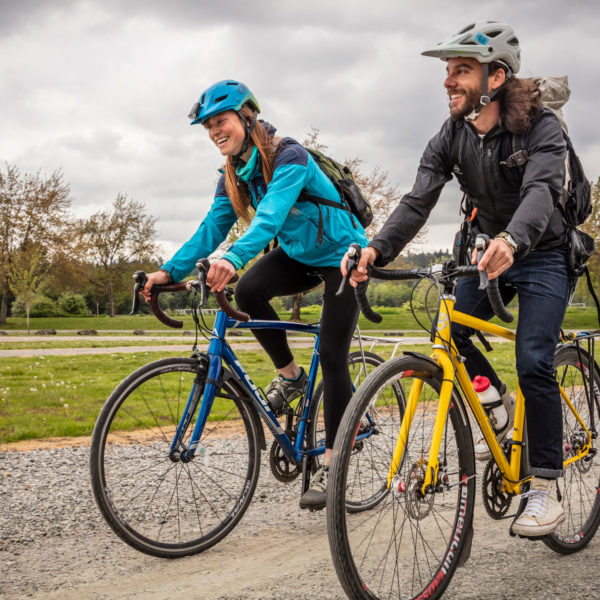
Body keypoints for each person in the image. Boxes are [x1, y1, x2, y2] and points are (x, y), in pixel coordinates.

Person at [344, 22, 570, 536]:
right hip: (485, 253)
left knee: (534, 358)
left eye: (461, 71)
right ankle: (497, 403)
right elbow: (418, 199)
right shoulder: (451, 135)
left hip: (543, 251)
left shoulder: (540, 127)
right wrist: (376, 249)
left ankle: (545, 488)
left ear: (496, 77)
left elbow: (540, 191)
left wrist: (512, 241)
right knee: (453, 331)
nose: (449, 81)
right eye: (447, 72)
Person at [142, 80, 368, 509]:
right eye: (208, 126)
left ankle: (333, 467)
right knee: (248, 290)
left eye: (220, 121)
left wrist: (234, 256)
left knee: (334, 355)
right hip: (300, 254)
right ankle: (292, 378)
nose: (214, 131)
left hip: (343, 256)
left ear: (247, 117)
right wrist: (168, 271)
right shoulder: (232, 171)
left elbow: (269, 217)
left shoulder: (289, 156)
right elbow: (212, 226)